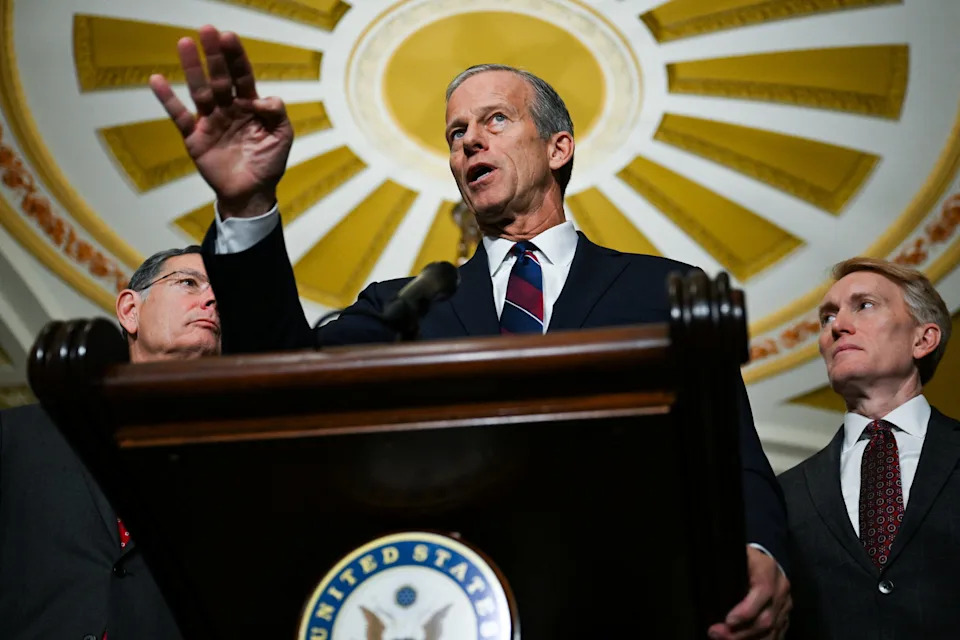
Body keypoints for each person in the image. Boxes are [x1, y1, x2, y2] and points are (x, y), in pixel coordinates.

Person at [150, 25, 791, 638]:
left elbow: (733, 456)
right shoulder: (406, 307)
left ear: (558, 147)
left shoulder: (666, 291)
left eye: (495, 120)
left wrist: (761, 551)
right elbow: (280, 379)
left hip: (633, 609)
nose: (469, 142)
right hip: (453, 609)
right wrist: (245, 204)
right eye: (457, 133)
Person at [0, 246, 219, 639]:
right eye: (188, 282)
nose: (211, 299)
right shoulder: (18, 435)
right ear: (130, 311)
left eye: (223, 294)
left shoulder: (242, 459)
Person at [779, 257, 959, 639]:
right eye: (827, 318)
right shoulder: (782, 494)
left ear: (923, 339)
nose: (837, 326)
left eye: (864, 305)